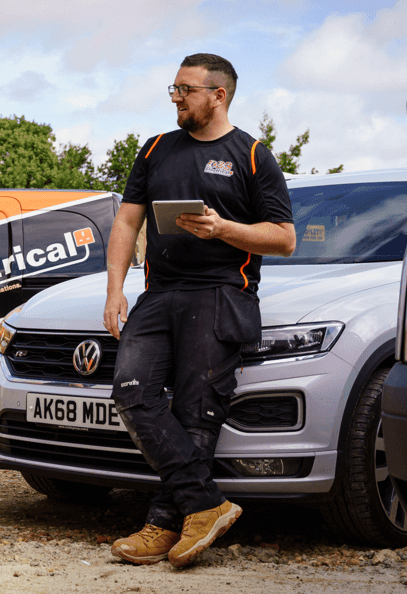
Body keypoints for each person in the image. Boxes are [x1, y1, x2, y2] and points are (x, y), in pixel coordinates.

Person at [103, 53, 295, 567]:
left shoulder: (253, 155)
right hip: (159, 292)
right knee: (131, 391)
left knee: (197, 414)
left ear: (218, 95)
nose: (175, 97)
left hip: (221, 294)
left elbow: (285, 239)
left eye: (185, 89)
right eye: (174, 88)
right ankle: (207, 504)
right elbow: (125, 224)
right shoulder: (157, 149)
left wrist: (224, 229)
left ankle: (164, 524)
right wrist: (114, 289)